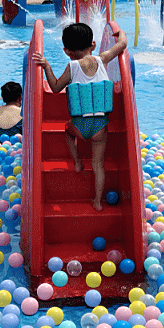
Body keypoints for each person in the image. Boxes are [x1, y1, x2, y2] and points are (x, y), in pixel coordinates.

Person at [33, 22, 127, 212]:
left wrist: (47, 68)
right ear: (93, 45)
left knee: (68, 130)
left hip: (79, 125)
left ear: (67, 51)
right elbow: (122, 44)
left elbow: (56, 87)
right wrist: (120, 32)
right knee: (98, 165)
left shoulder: (72, 66)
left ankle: (76, 162)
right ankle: (98, 202)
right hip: (101, 127)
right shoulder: (102, 59)